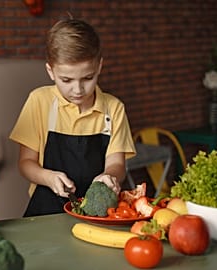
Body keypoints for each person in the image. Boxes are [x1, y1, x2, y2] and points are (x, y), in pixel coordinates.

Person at [9, 18, 136, 217]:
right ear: (50, 71)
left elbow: (118, 164)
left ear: (99, 67)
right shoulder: (39, 101)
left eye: (88, 78)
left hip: (97, 214)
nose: (78, 90)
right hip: (46, 211)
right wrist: (48, 177)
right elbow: (25, 163)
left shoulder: (114, 108)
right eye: (66, 80)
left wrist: (108, 176)